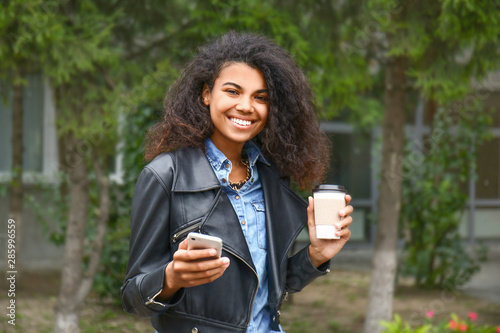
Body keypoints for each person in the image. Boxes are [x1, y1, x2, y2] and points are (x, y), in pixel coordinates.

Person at [121, 31, 353, 333]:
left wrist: (317, 255)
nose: (246, 106)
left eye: (261, 97)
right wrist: (171, 278)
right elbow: (133, 297)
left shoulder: (271, 177)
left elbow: (274, 286)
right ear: (206, 94)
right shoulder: (166, 176)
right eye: (233, 91)